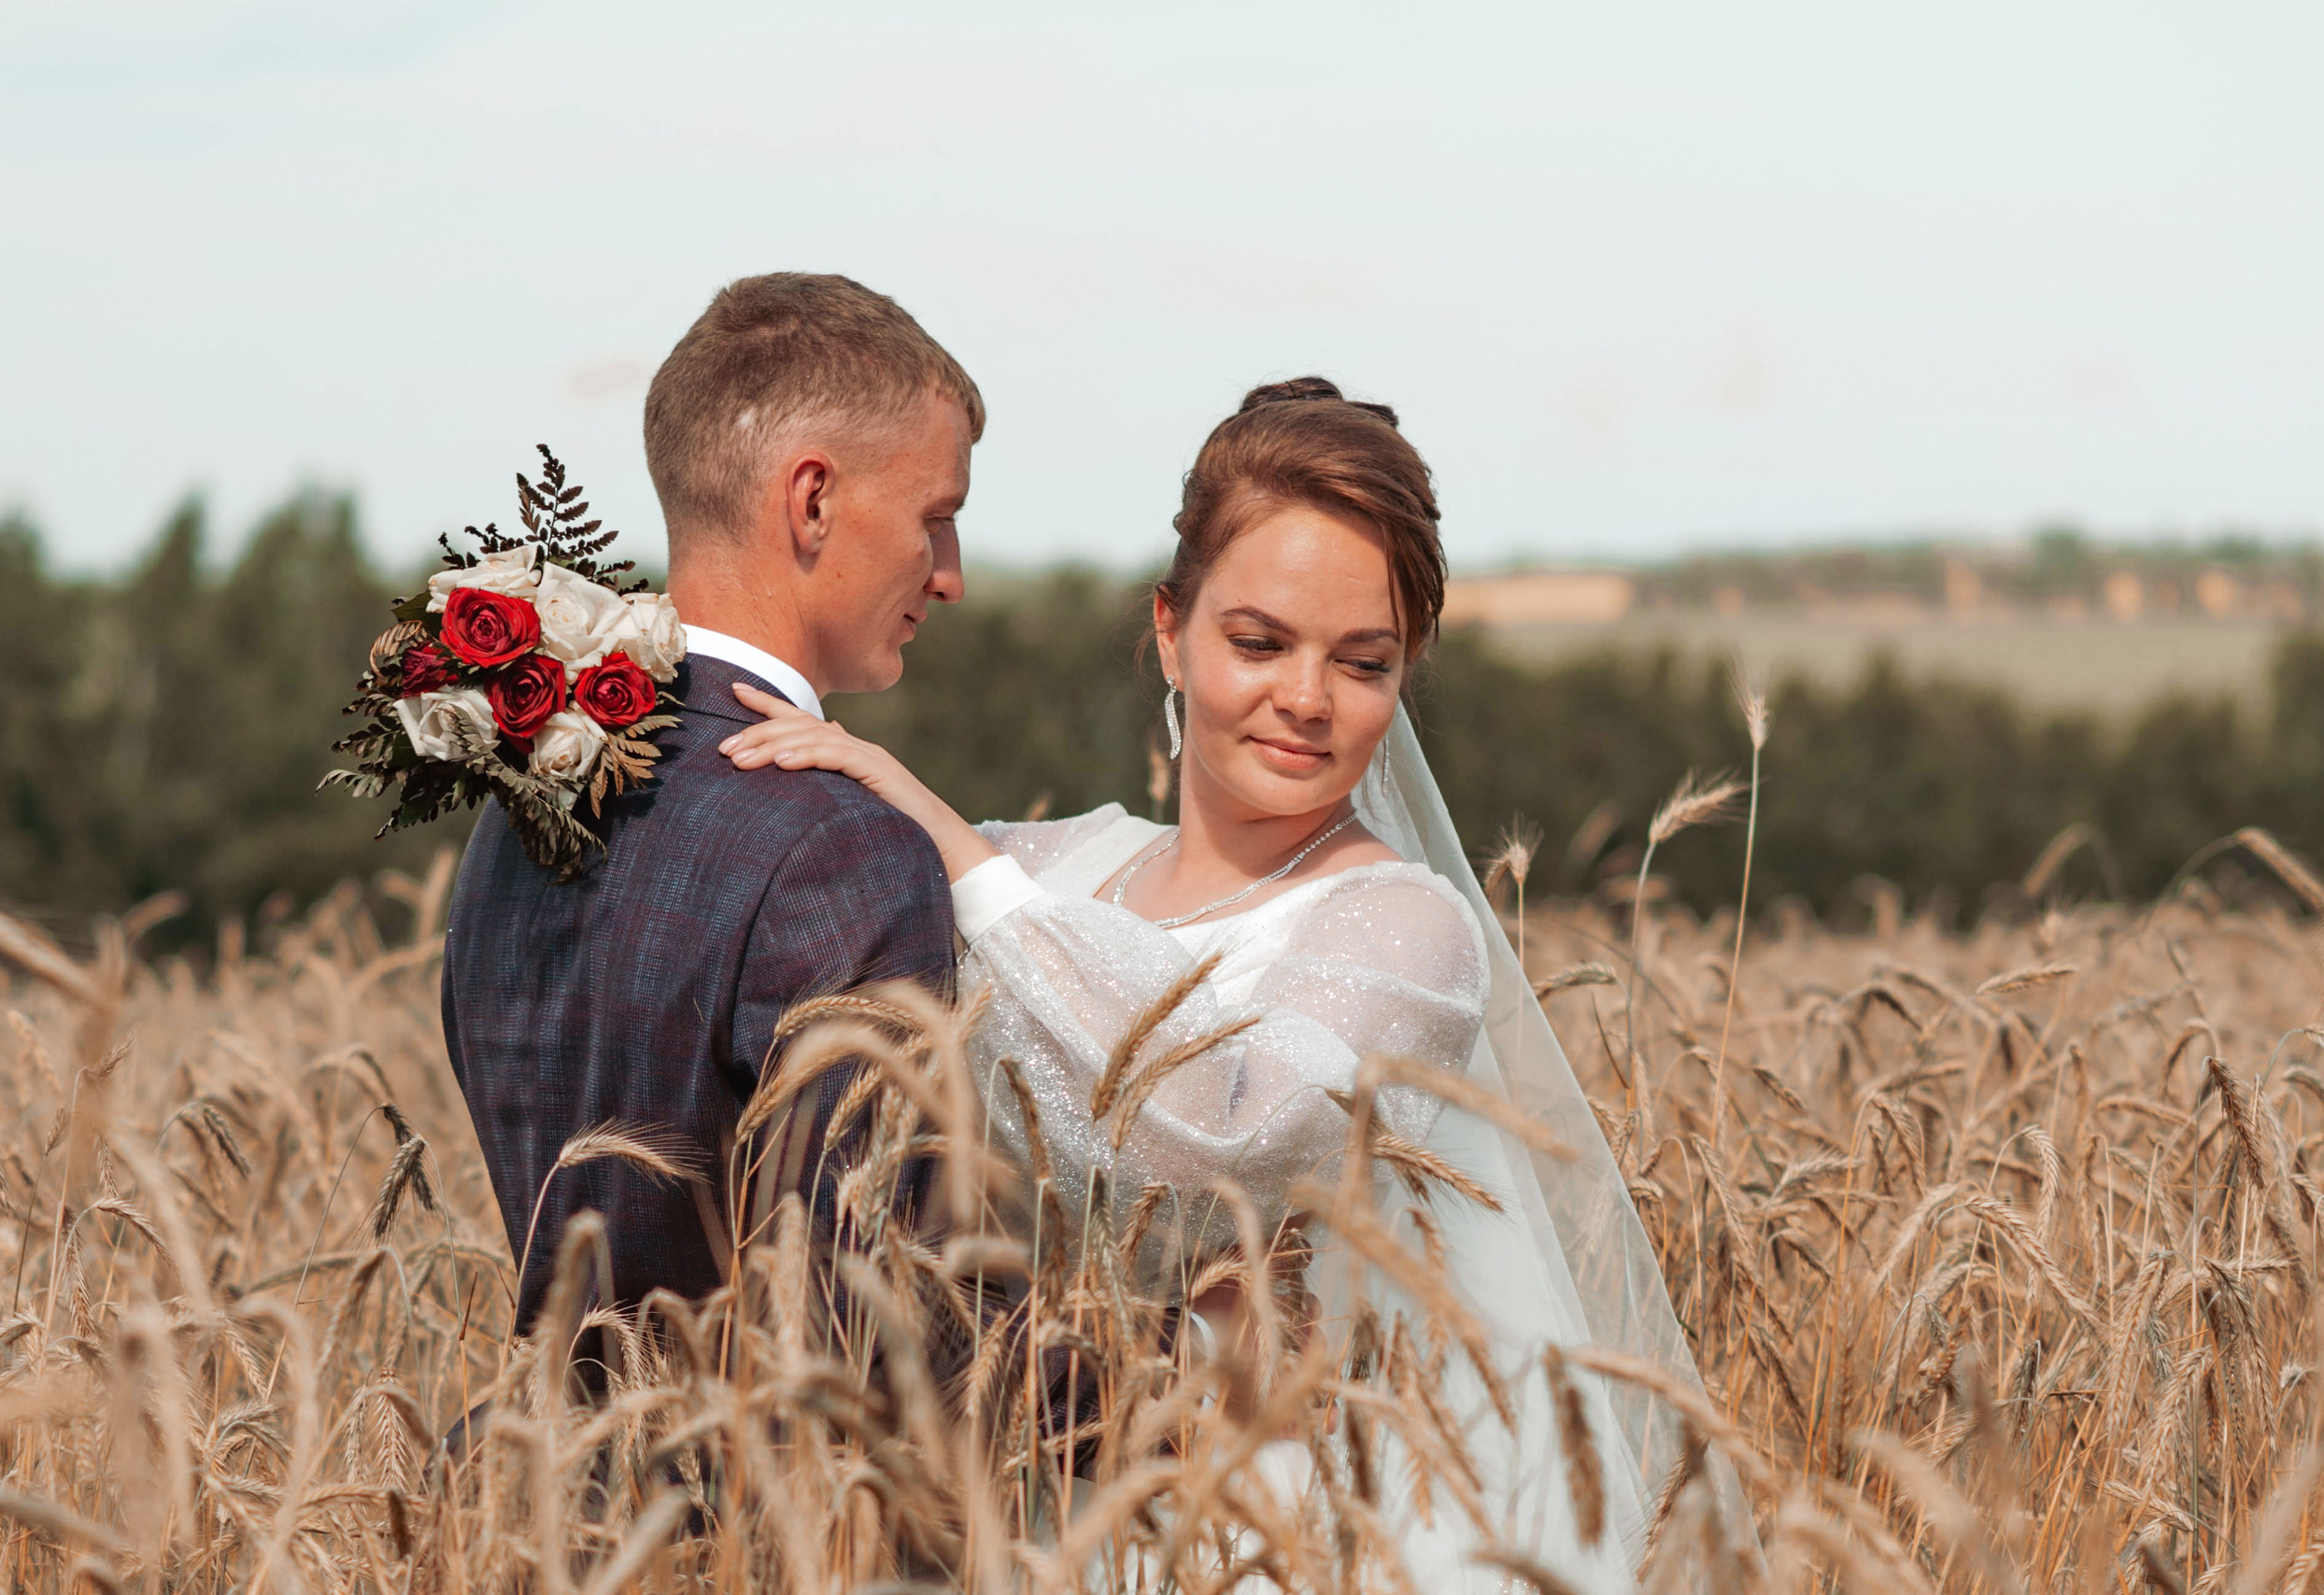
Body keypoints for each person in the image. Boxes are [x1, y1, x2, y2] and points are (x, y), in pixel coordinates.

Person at [719, 377, 1738, 1588]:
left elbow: (1230, 1141)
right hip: (997, 1507)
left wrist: (957, 860)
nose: (1306, 700)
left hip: (1258, 1527)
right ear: (1170, 627)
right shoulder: (1049, 867)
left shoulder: (1400, 929)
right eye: (1259, 642)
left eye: (1362, 663)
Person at [442, 273, 979, 1337]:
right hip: (771, 1503)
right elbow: (878, 1333)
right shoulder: (841, 847)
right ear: (811, 499)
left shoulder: (522, 802)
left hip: (536, 1491)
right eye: (936, 518)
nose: (951, 573)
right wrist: (1180, 1349)